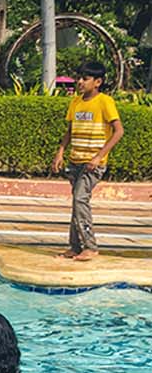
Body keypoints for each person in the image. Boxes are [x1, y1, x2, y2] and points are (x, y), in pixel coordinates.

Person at [52, 59, 123, 261]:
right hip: (75, 161)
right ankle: (75, 247)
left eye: (85, 78)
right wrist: (60, 152)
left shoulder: (105, 102)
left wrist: (99, 156)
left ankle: (90, 246)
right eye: (79, 78)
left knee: (80, 199)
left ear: (98, 82)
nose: (80, 82)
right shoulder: (75, 102)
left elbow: (119, 131)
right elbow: (70, 131)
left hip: (93, 164)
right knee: (77, 203)